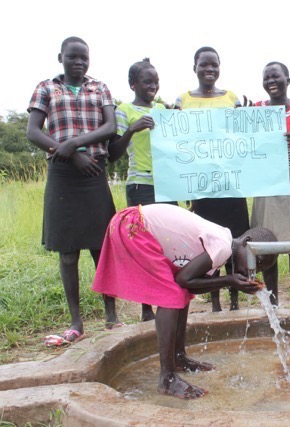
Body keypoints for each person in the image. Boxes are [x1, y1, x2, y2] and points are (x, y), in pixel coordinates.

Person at [92, 204, 277, 399]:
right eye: (256, 261)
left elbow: (189, 285)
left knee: (181, 293)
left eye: (258, 268)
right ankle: (167, 378)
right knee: (171, 295)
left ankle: (178, 358)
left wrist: (227, 282)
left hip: (132, 223)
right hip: (133, 225)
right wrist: (228, 280)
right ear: (246, 242)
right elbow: (183, 280)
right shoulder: (222, 246)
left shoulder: (223, 243)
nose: (252, 270)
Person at [26, 36, 119, 345]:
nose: (79, 62)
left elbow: (110, 128)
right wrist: (67, 152)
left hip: (93, 171)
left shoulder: (100, 88)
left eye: (84, 58)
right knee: (68, 252)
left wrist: (76, 143)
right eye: (72, 57)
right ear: (60, 57)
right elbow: (33, 132)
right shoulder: (46, 88)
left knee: (100, 247)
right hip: (63, 173)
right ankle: (76, 320)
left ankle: (111, 315)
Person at [174, 46, 249, 312]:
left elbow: (244, 137)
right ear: (194, 67)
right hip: (201, 185)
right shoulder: (182, 100)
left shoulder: (232, 98)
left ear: (220, 67)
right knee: (209, 244)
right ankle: (215, 303)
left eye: (214, 65)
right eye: (204, 64)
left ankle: (235, 301)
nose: (209, 69)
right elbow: (175, 142)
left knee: (235, 241)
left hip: (230, 183)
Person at [108, 58, 176, 323]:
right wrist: (132, 130)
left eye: (156, 81)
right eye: (147, 81)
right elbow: (114, 153)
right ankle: (147, 308)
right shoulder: (123, 110)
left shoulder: (163, 109)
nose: (153, 86)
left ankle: (168, 299)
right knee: (145, 246)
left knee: (168, 245)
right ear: (133, 84)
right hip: (141, 185)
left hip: (168, 185)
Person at [250, 62, 290, 308]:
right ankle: (274, 303)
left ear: (288, 79)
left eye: (275, 76)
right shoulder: (256, 109)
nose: (271, 81)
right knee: (269, 242)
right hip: (266, 180)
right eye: (266, 77)